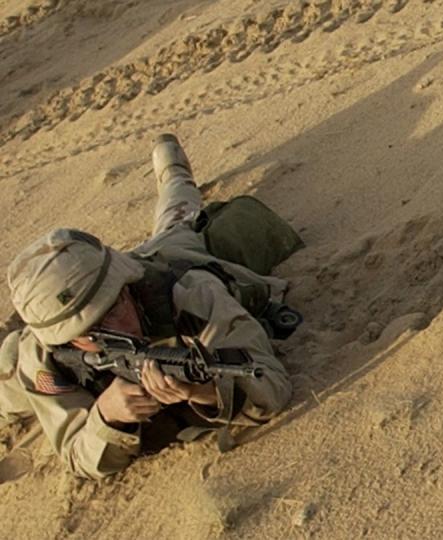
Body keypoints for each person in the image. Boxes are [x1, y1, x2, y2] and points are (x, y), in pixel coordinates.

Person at [4, 134, 293, 479]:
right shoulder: (43, 355)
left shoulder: (191, 295)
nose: (116, 328)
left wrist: (198, 390)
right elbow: (77, 456)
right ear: (66, 341)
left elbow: (272, 385)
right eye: (90, 332)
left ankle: (173, 175)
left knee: (178, 220)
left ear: (126, 285)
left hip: (166, 256)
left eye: (114, 306)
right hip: (19, 357)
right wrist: (106, 416)